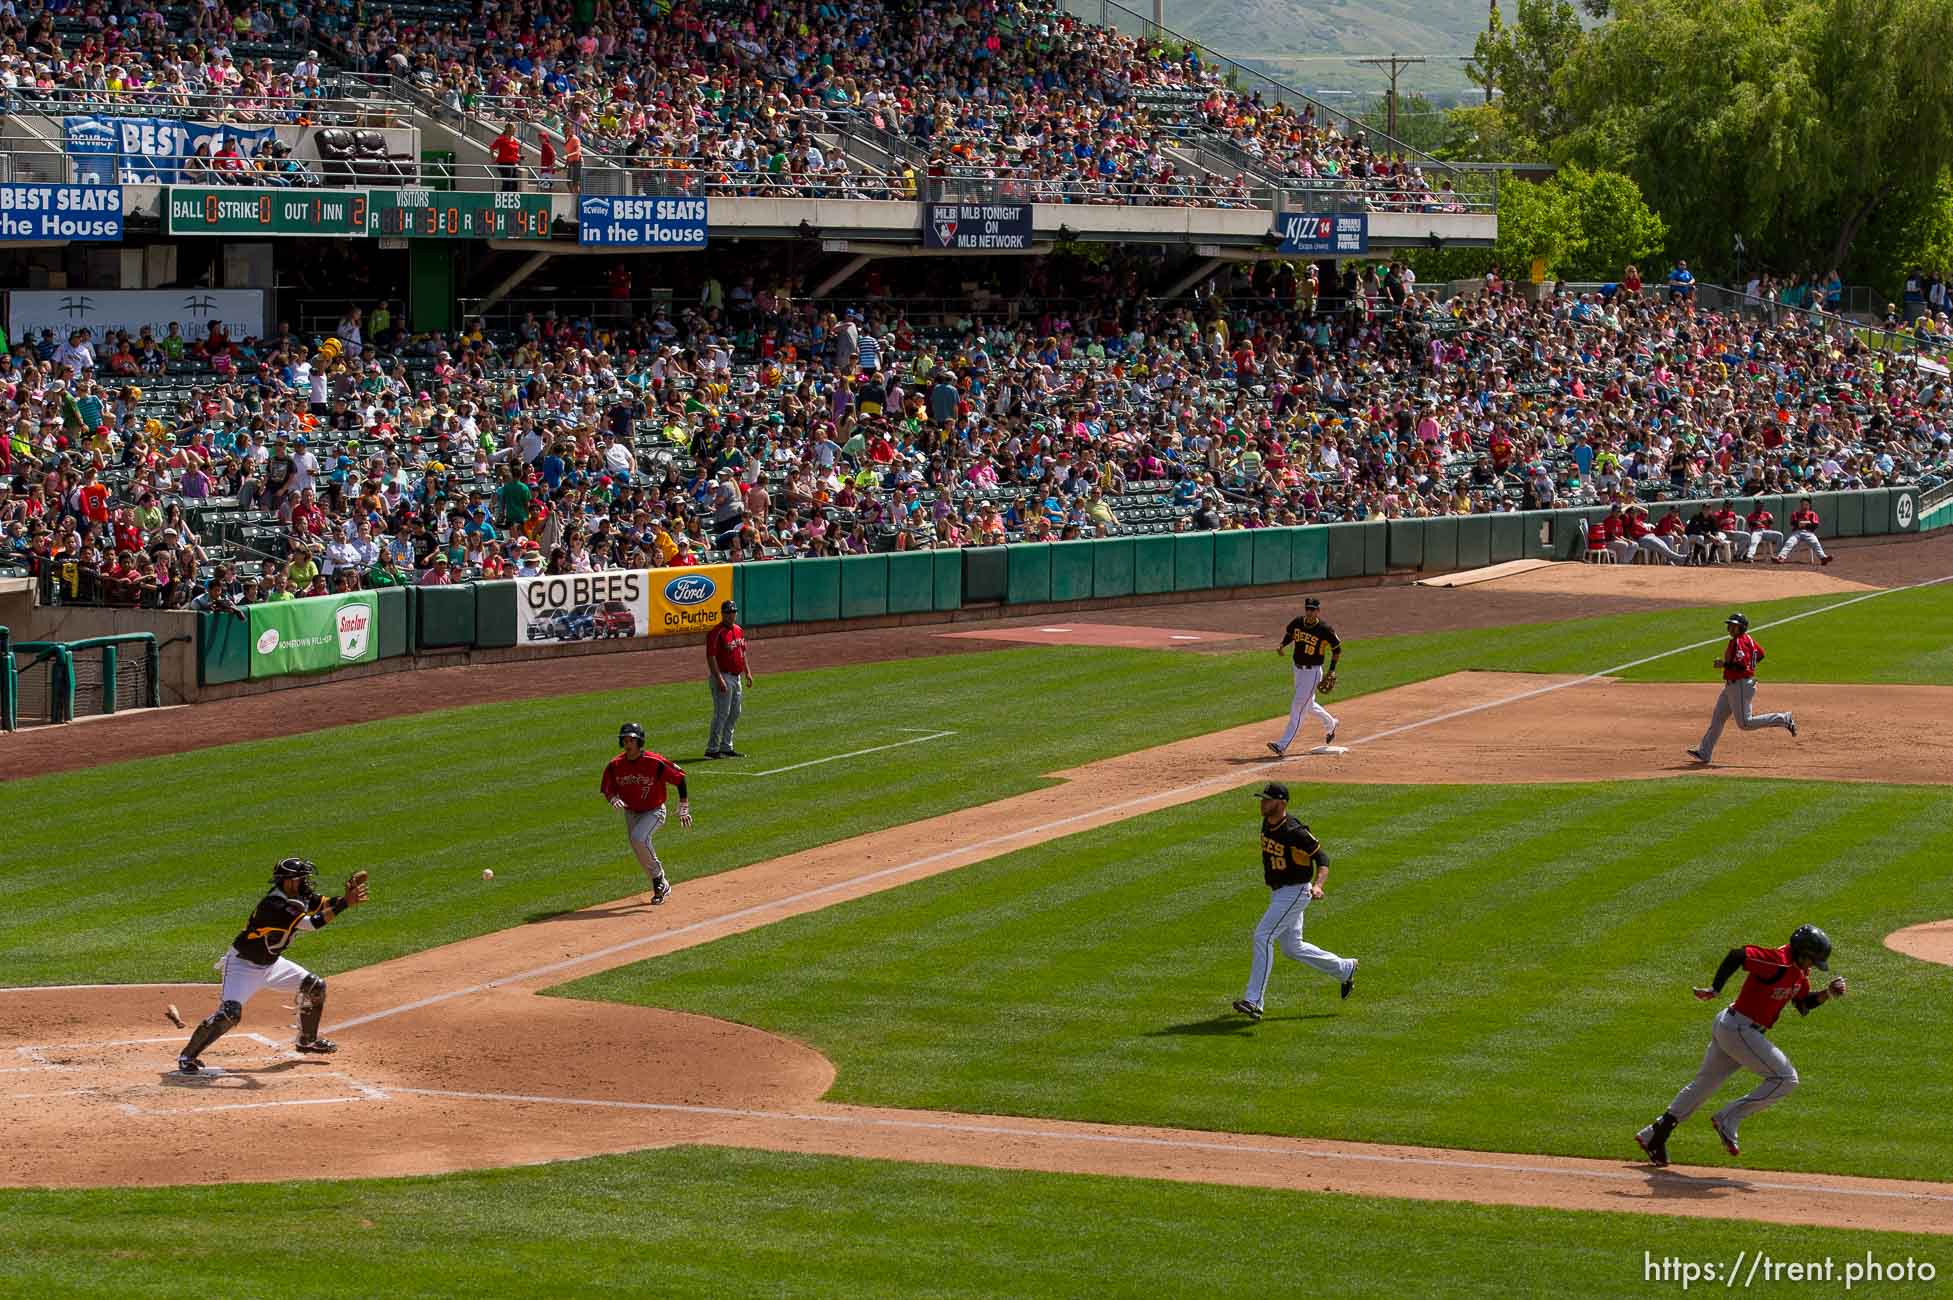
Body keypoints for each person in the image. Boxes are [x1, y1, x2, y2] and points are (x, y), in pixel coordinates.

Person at [1634, 925, 1846, 1166]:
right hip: (1740, 1029)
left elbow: (1803, 1004)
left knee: (1703, 1085)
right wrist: (1716, 988)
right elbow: (1738, 955)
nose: (1812, 967)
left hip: (1733, 1028)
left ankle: (1654, 1135)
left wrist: (1827, 993)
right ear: (1801, 953)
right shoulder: (1778, 962)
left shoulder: (1798, 973)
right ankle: (1728, 1118)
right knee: (1786, 1079)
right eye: (1812, 961)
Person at [175, 857, 370, 1074]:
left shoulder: (298, 895)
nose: (305, 883)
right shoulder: (274, 905)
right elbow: (311, 924)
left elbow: (323, 904)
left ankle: (307, 1040)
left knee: (316, 987)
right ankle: (187, 1057)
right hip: (243, 966)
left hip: (272, 964)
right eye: (300, 879)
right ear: (287, 881)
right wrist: (345, 904)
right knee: (230, 1014)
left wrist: (346, 896)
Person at [1231, 781, 1358, 1021]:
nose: (1262, 803)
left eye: (1267, 800)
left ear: (1281, 803)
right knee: (1292, 948)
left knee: (1263, 936)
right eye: (1262, 799)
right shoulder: (1267, 823)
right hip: (1278, 892)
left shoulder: (1295, 831)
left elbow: (1322, 858)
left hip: (1295, 892)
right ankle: (1344, 968)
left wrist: (1318, 885)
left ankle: (1254, 1001)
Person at [599, 721, 689, 905]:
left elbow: (680, 779)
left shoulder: (653, 762)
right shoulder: (615, 765)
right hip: (631, 813)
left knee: (639, 838)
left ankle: (658, 879)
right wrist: (612, 798)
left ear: (639, 741)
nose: (627, 743)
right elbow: (607, 787)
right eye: (624, 740)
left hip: (654, 811)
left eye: (631, 739)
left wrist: (684, 806)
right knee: (639, 848)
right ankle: (660, 883)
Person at [1688, 611, 1796, 764]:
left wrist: (1724, 664)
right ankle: (1704, 752)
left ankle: (1784, 719)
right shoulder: (1748, 639)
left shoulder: (1738, 641)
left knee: (1745, 723)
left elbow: (1740, 665)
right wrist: (1749, 667)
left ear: (1742, 628)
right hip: (1733, 685)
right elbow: (1760, 654)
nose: (1730, 628)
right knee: (1718, 718)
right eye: (1730, 625)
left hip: (1740, 685)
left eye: (1734, 626)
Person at [1267, 596, 1340, 757]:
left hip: (1312, 672)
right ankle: (1331, 723)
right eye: (1307, 609)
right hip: (1297, 669)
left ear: (1318, 611)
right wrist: (1282, 645)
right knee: (1308, 704)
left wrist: (1332, 670)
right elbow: (1290, 634)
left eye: (1313, 609)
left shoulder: (1325, 629)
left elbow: (1337, 649)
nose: (1309, 612)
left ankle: (1282, 745)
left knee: (1297, 707)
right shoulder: (1298, 622)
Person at [702, 599, 752, 759]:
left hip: (736, 676)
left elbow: (742, 653)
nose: (731, 615)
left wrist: (748, 672)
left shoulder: (738, 630)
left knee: (735, 712)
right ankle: (712, 749)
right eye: (728, 612)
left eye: (733, 612)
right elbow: (711, 657)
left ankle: (726, 746)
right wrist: (719, 679)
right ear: (722, 614)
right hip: (723, 675)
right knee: (721, 713)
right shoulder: (716, 633)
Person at [1774, 495, 1832, 565]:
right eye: (1802, 504)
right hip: (1797, 532)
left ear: (1809, 505)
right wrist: (1807, 523)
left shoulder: (1812, 514)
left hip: (1809, 533)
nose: (1804, 506)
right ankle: (1781, 557)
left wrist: (1802, 523)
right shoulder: (1795, 513)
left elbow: (1815, 525)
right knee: (1789, 542)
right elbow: (1794, 523)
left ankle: (1823, 558)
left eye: (1806, 504)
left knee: (1815, 543)